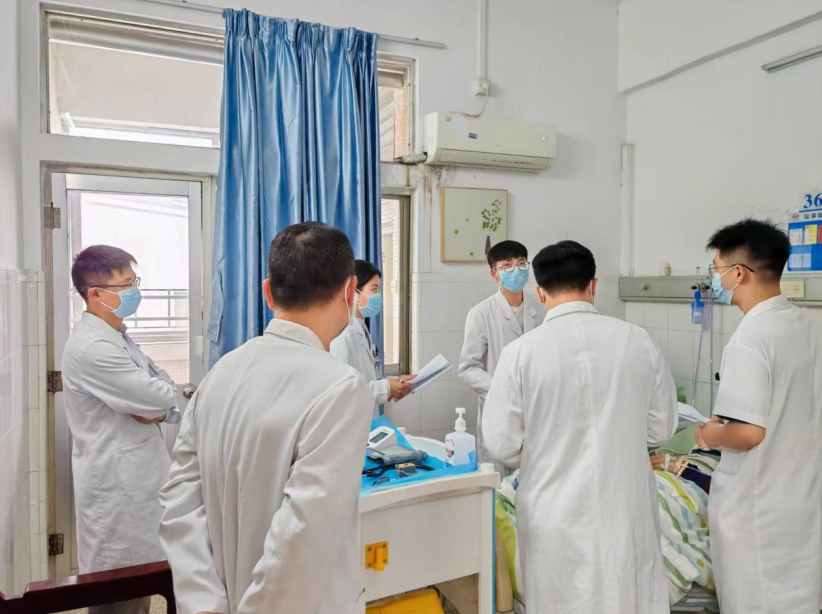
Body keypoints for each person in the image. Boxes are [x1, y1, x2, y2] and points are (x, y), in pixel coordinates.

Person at [159, 222, 374, 614]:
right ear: (349, 291)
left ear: (267, 292)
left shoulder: (221, 372)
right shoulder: (340, 388)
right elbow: (304, 535)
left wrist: (204, 603)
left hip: (217, 597)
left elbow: (180, 499)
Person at [482, 240, 677, 614]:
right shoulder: (638, 340)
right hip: (625, 510)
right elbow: (662, 428)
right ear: (594, 285)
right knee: (627, 599)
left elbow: (502, 444)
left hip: (554, 515)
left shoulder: (520, 353)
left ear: (540, 293)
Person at [694, 219, 822, 614]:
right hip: (803, 501)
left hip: (759, 508)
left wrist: (708, 435)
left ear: (738, 273)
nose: (714, 279)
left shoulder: (751, 339)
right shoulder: (810, 325)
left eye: (716, 269)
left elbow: (748, 433)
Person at [62, 245, 180, 614]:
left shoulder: (116, 335)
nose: (135, 292)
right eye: (126, 285)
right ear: (95, 294)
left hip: (135, 482)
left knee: (138, 586)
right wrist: (157, 404)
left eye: (134, 282)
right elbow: (160, 398)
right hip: (116, 492)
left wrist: (156, 405)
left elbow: (163, 389)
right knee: (118, 596)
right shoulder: (93, 348)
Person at [458, 240, 543, 466]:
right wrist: (502, 390)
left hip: (536, 405)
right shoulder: (481, 313)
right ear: (494, 274)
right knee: (498, 476)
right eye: (507, 265)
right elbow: (468, 368)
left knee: (534, 470)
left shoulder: (540, 307)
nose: (516, 269)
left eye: (521, 263)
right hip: (499, 409)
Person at [330, 260, 415, 416]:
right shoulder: (342, 335)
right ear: (353, 292)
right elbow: (342, 391)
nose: (378, 296)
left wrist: (397, 382)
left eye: (379, 289)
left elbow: (366, 378)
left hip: (368, 420)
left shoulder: (361, 329)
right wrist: (386, 388)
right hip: (352, 422)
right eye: (374, 289)